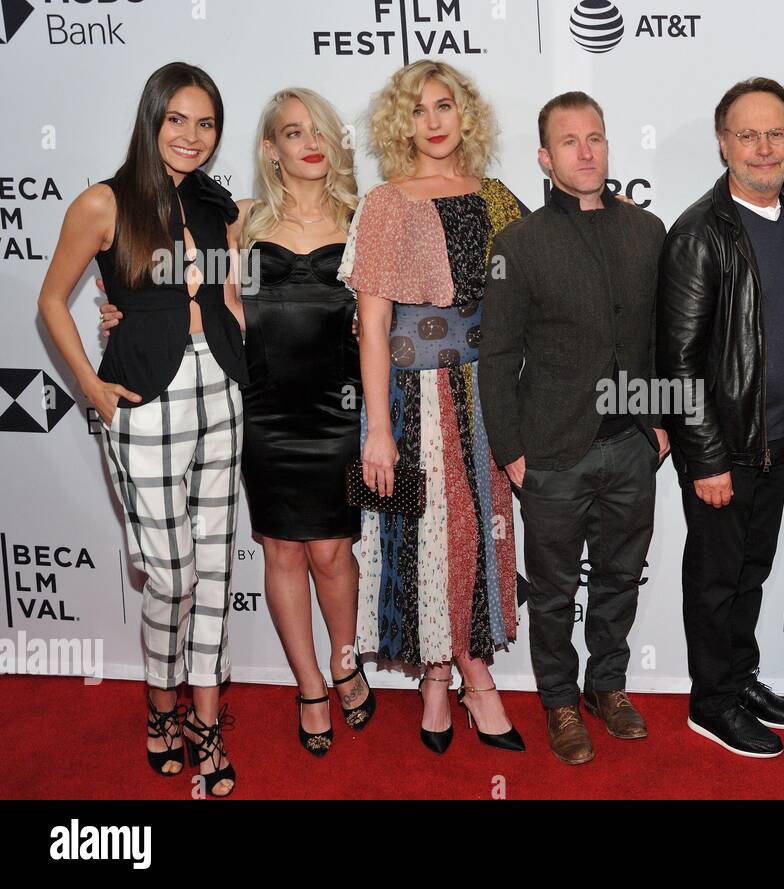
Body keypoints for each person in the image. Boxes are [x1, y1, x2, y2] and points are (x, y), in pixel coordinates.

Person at [100, 88, 375, 757]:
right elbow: (180, 287)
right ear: (269, 148)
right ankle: (310, 683)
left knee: (335, 552)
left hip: (338, 409)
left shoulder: (365, 217)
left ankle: (345, 659)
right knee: (282, 550)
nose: (309, 143)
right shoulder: (239, 221)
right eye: (292, 132)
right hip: (261, 406)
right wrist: (120, 315)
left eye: (321, 131)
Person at [37, 62, 246, 797]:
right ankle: (162, 705)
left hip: (221, 391)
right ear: (151, 118)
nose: (192, 136)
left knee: (217, 570)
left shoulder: (220, 205)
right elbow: (52, 299)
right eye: (178, 119)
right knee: (174, 575)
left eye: (207, 122)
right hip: (144, 399)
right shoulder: (104, 201)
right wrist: (92, 388)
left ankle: (207, 721)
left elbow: (226, 298)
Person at [479, 91, 668, 765]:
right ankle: (558, 699)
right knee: (555, 592)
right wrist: (512, 452)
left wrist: (657, 421)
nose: (585, 151)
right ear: (544, 156)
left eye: (596, 138)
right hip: (552, 452)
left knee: (621, 576)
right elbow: (496, 356)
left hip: (630, 446)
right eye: (569, 141)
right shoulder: (519, 243)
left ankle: (607, 686)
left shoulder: (648, 231)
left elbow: (659, 337)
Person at [341, 61, 524, 754]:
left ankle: (463, 669)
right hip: (412, 399)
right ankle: (447, 676)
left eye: (445, 106)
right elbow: (373, 325)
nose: (435, 121)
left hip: (485, 397)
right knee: (423, 536)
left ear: (464, 114)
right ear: (400, 124)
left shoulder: (498, 196)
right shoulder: (386, 203)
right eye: (419, 111)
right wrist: (379, 432)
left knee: (480, 532)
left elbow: (532, 295)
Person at [657, 77, 784, 758]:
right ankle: (711, 702)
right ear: (723, 142)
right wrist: (707, 457)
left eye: (776, 132)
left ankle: (740, 676)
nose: (762, 147)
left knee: (751, 570)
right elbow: (679, 359)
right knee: (716, 578)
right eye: (747, 134)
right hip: (722, 448)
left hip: (774, 436)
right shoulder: (700, 232)